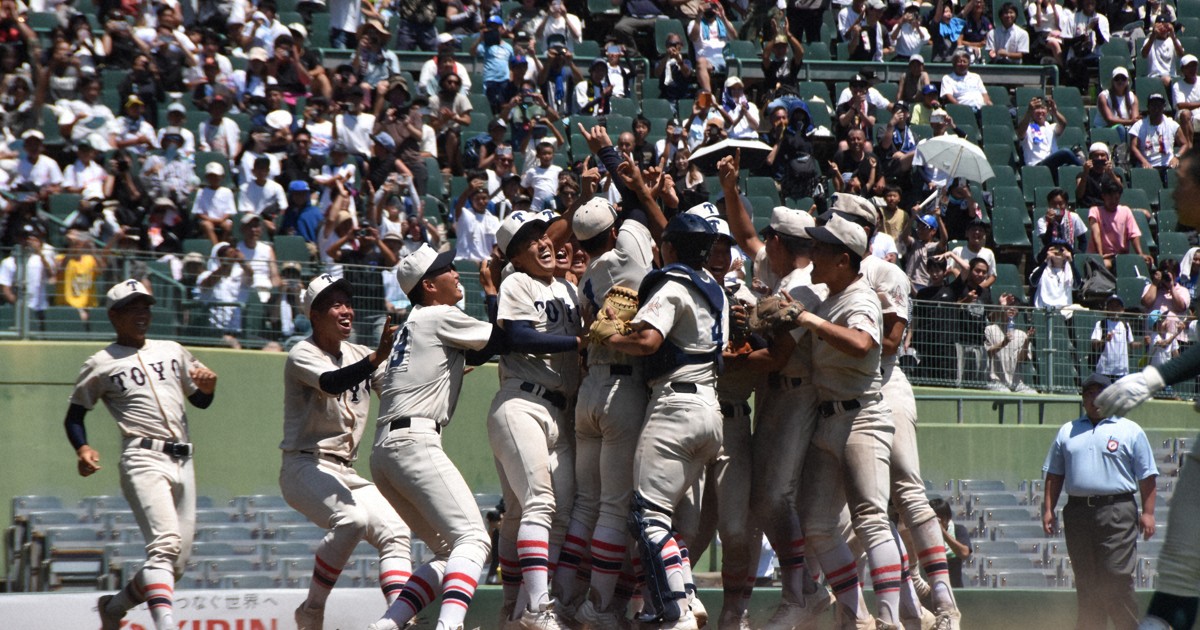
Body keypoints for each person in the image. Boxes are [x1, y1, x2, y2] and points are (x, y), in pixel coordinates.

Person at [598, 213, 727, 629]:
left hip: (676, 407)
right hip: (710, 409)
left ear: (669, 247)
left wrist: (608, 334)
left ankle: (677, 611)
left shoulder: (672, 284)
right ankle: (686, 596)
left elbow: (648, 339)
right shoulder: (716, 290)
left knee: (647, 517)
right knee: (664, 518)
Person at [366, 245, 504, 630]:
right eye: (447, 269)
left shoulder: (411, 326)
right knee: (474, 540)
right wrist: (492, 291)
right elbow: (499, 340)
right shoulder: (438, 315)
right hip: (414, 441)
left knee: (448, 552)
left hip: (384, 451)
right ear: (428, 286)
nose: (457, 273)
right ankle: (449, 626)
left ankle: (386, 625)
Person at [70, 280, 218, 630]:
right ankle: (166, 624)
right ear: (114, 315)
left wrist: (209, 389)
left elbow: (200, 400)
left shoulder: (172, 349)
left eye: (146, 307)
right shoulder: (100, 363)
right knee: (165, 547)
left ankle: (113, 608)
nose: (142, 314)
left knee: (174, 565)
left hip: (184, 459)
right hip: (142, 457)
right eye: (133, 307)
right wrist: (83, 448)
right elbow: (74, 415)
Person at [281, 273, 414, 630]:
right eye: (335, 304)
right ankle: (311, 611)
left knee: (396, 530)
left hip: (346, 471)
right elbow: (331, 382)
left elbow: (397, 391)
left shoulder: (358, 354)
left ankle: (400, 619)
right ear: (314, 315)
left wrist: (440, 376)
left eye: (348, 303)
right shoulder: (302, 353)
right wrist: (376, 358)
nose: (347, 311)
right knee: (352, 520)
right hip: (303, 465)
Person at [793, 214, 901, 628]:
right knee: (818, 525)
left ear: (843, 259)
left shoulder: (859, 297)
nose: (812, 254)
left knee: (871, 519)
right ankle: (858, 618)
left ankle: (889, 621)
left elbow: (862, 343)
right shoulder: (830, 297)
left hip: (862, 417)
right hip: (830, 420)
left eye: (820, 249)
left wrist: (809, 320)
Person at [489, 210, 583, 628]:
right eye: (529, 241)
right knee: (539, 504)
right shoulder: (516, 282)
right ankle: (538, 608)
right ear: (515, 257)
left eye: (543, 235)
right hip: (522, 402)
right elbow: (517, 335)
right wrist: (578, 341)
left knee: (558, 514)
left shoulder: (568, 289)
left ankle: (525, 608)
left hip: (561, 410)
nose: (542, 243)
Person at [1043, 373, 1158, 630]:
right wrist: (1048, 509)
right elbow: (1054, 474)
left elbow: (1147, 475)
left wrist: (1148, 513)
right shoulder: (1068, 431)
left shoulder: (1130, 430)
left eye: (1100, 393)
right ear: (1083, 399)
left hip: (1117, 509)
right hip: (1078, 511)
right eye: (1089, 393)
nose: (1094, 398)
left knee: (1116, 575)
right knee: (1086, 579)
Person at [1088, 180, 1153, 268]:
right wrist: (1100, 256)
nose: (1113, 201)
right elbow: (1096, 234)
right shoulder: (1095, 211)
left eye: (1116, 198)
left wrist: (1140, 255)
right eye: (1110, 198)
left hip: (1121, 257)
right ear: (1103, 196)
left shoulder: (1125, 211)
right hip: (1102, 256)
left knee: (1145, 263)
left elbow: (1133, 234)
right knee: (1105, 265)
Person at [1130, 93, 1189, 187]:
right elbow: (1133, 146)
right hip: (1148, 165)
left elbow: (1185, 144)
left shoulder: (1172, 124)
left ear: (1164, 107)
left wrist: (1176, 157)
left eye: (1159, 105)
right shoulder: (1139, 125)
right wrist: (1143, 161)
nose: (1156, 108)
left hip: (1168, 164)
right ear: (1148, 107)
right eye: (1153, 105)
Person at [1018, 95, 1081, 182]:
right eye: (1037, 108)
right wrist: (1028, 112)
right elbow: (1020, 132)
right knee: (1065, 152)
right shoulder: (1028, 128)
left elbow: (1063, 124)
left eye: (1043, 108)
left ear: (1047, 111)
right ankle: (1088, 173)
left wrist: (1055, 112)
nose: (1040, 111)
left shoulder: (1051, 127)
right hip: (1037, 166)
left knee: (1072, 165)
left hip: (1054, 165)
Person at [984, 293, 1035, 392]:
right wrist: (1004, 342)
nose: (1012, 310)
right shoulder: (990, 329)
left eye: (1015, 308)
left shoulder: (1022, 335)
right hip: (996, 381)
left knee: (1033, 394)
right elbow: (989, 352)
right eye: (1009, 307)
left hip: (1017, 383)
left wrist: (1027, 341)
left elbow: (1021, 360)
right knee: (1005, 392)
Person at [1092, 294, 1135, 380]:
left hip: (1122, 371)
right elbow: (1094, 344)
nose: (1114, 309)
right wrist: (1105, 340)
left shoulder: (1126, 325)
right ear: (1107, 309)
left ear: (1122, 310)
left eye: (1117, 306)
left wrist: (1143, 343)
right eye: (1111, 306)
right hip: (1104, 370)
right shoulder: (1100, 324)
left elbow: (1132, 344)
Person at [1095, 67, 1140, 140]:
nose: (1120, 81)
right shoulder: (1104, 96)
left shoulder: (1133, 97)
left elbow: (1135, 119)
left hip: (1125, 128)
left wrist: (1133, 121)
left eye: (1123, 78)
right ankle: (1124, 146)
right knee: (1120, 128)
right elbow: (1110, 120)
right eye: (1117, 79)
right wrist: (1130, 121)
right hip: (1104, 129)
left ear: (1127, 81)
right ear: (1112, 81)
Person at [1173, 55, 1200, 148]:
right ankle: (1188, 147)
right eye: (1189, 66)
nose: (1192, 69)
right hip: (1184, 116)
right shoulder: (1177, 85)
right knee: (1185, 113)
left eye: (1194, 66)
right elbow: (1181, 105)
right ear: (1182, 70)